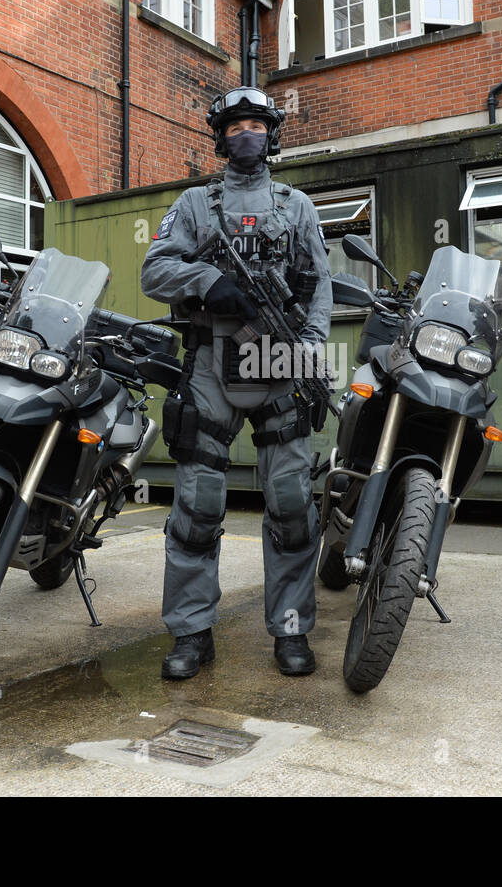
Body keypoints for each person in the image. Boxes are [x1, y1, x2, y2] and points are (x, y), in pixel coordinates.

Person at [141, 86, 332, 679]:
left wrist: (310, 350)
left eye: (256, 124)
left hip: (279, 360)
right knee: (197, 504)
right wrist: (205, 281)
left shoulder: (297, 205)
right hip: (211, 361)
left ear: (272, 135)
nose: (245, 134)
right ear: (220, 137)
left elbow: (319, 283)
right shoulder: (196, 204)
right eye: (234, 125)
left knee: (293, 503)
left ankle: (292, 630)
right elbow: (154, 270)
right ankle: (192, 633)